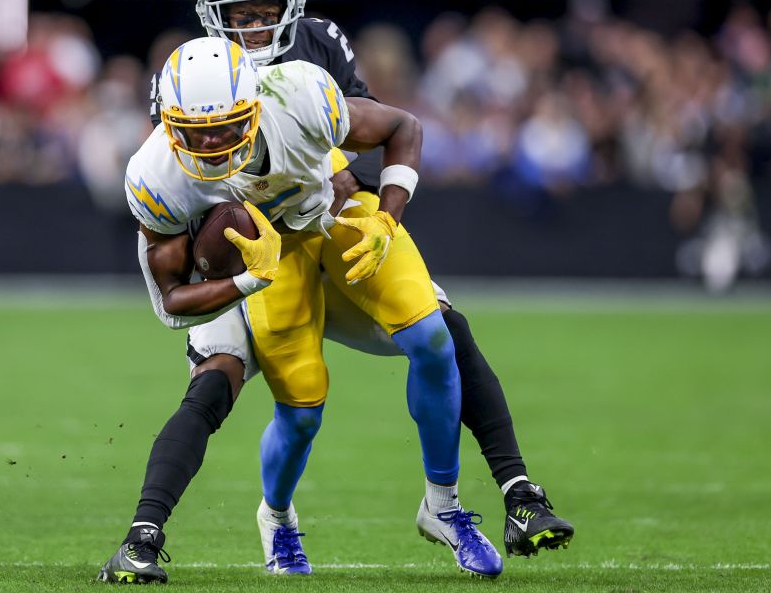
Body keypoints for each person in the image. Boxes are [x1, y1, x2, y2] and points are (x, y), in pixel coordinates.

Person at [99, 36, 500, 583]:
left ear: (255, 105)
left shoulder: (301, 94)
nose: (214, 144)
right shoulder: (156, 175)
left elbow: (402, 127)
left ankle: (445, 507)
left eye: (226, 125)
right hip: (270, 261)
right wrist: (245, 278)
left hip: (331, 221)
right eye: (197, 133)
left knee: (435, 335)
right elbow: (171, 305)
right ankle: (278, 516)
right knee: (303, 407)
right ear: (167, 125)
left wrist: (387, 217)